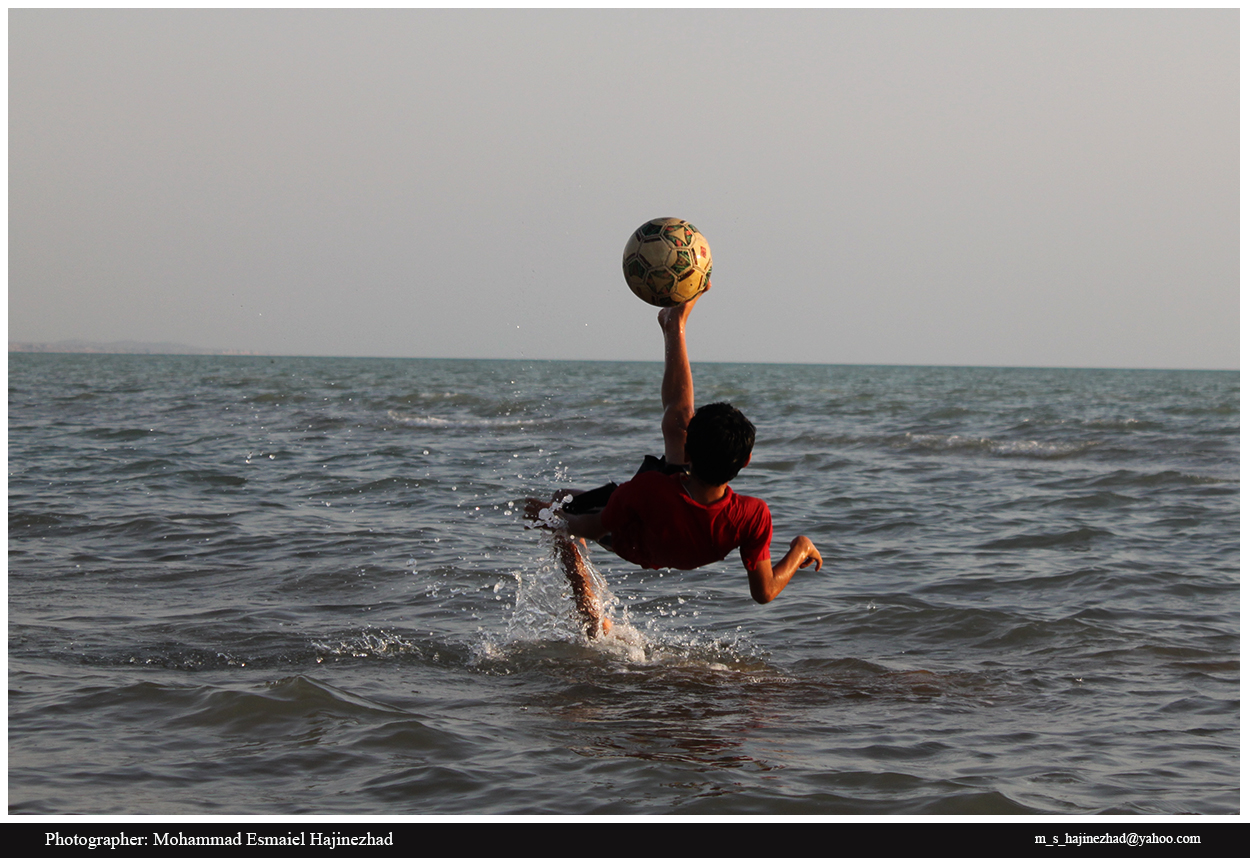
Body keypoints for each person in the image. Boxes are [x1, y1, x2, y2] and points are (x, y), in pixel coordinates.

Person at [527, 289, 822, 638]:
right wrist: (800, 546)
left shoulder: (648, 490)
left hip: (639, 539)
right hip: (677, 524)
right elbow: (764, 593)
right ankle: (673, 325)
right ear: (747, 461)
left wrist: (550, 518)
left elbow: (590, 528)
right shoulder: (753, 515)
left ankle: (590, 615)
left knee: (553, 504)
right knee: (679, 419)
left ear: (690, 454)